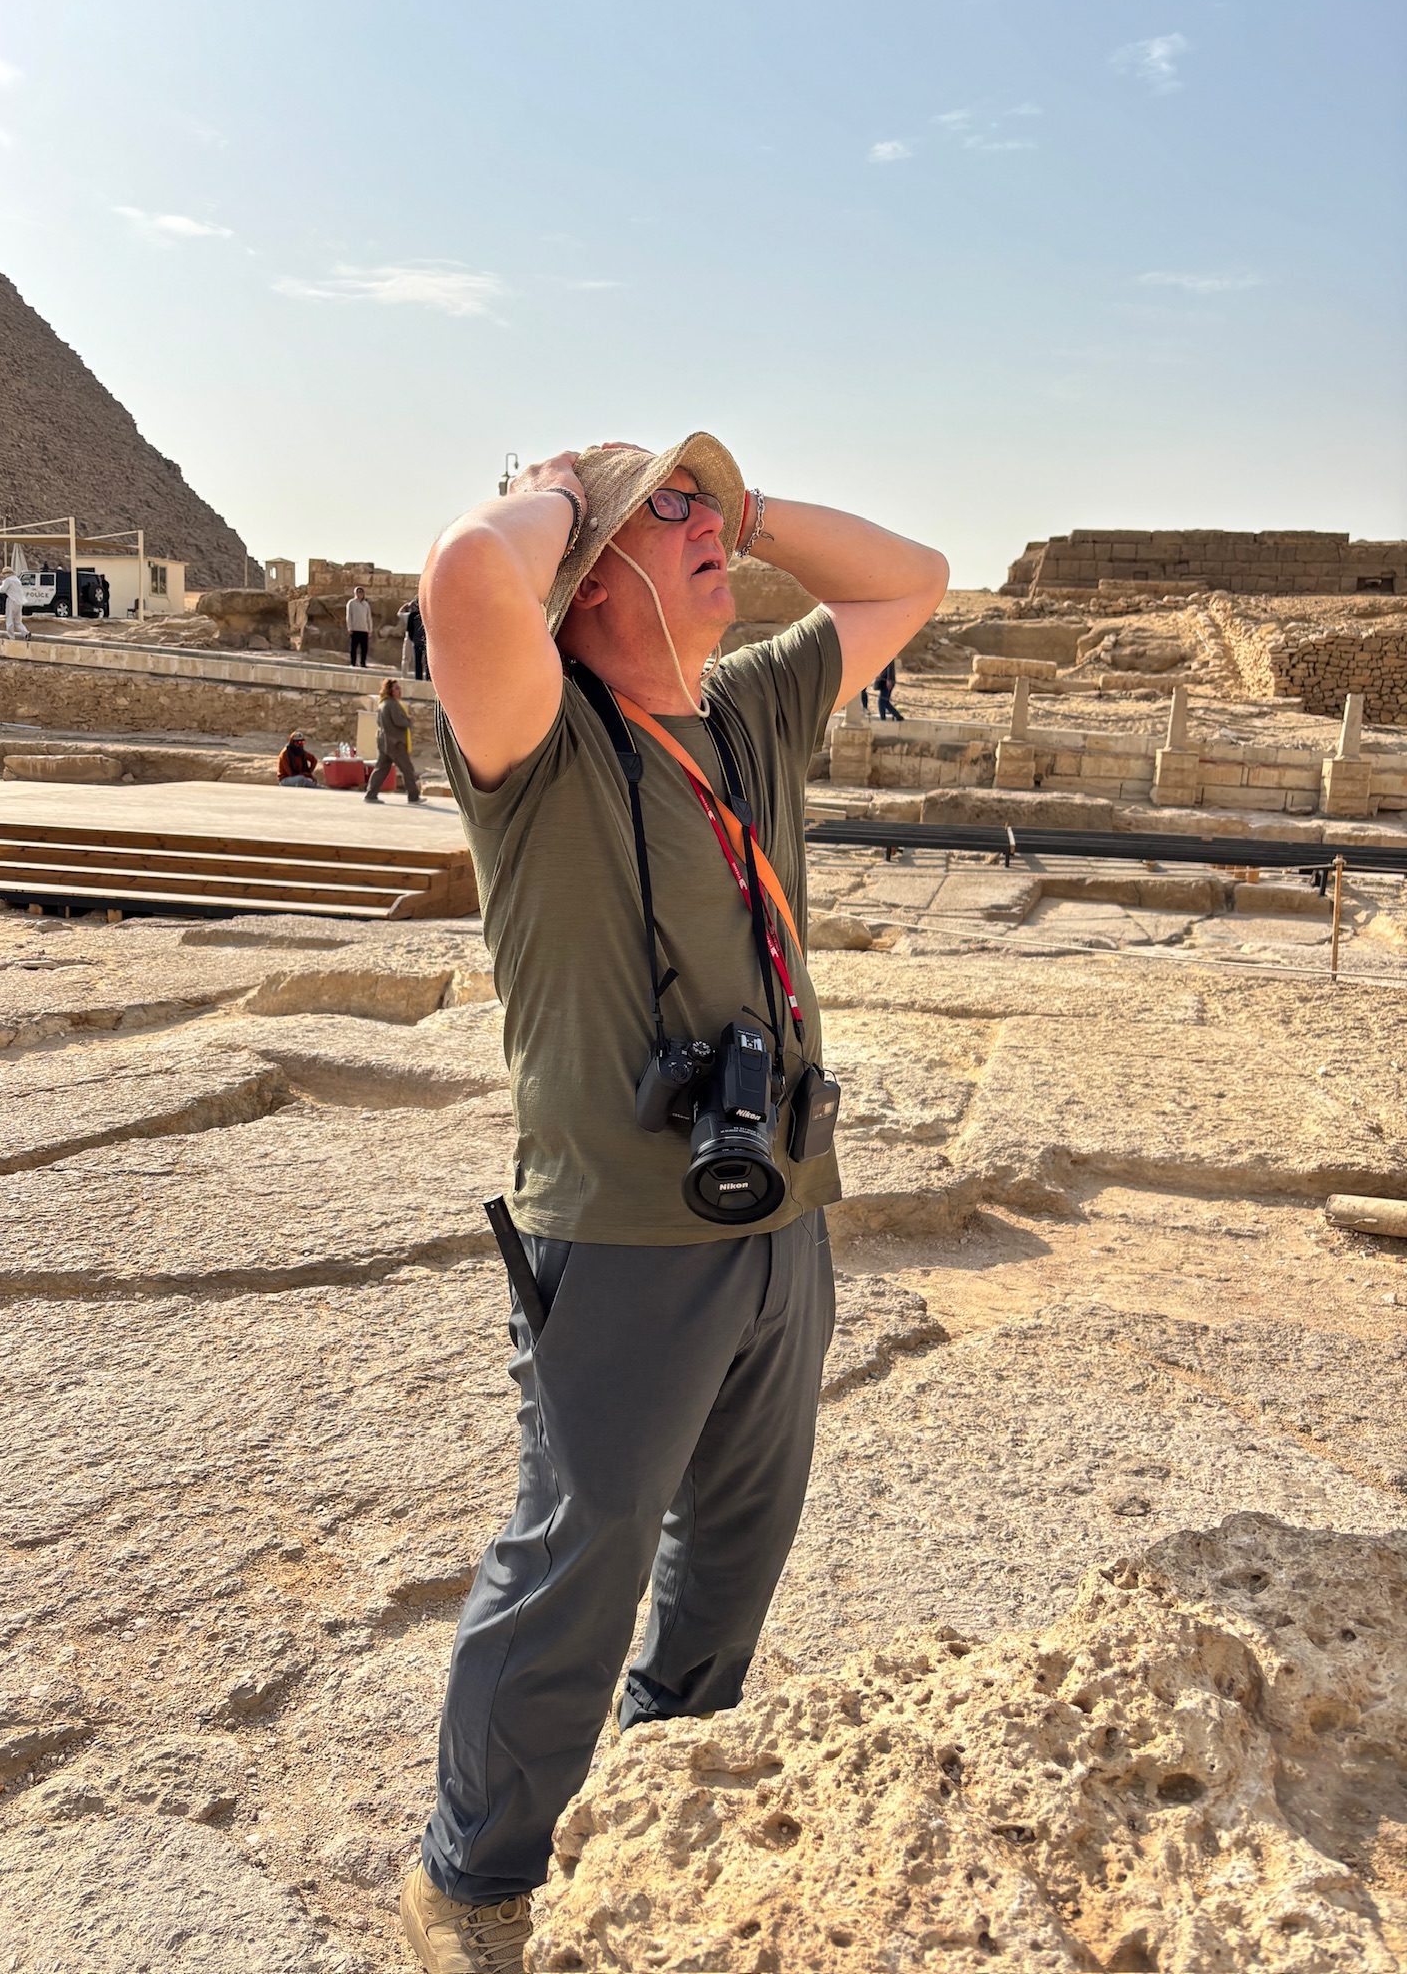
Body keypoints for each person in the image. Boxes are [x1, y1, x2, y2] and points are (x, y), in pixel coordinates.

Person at [396, 433, 946, 1972]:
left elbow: (915, 578)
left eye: (712, 509)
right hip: (626, 1237)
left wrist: (742, 514)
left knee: (740, 1548)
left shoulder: (752, 713)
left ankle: (658, 1792)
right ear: (584, 586)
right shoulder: (541, 744)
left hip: (782, 1207)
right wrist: (575, 491)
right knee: (581, 1556)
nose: (708, 527)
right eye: (675, 516)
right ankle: (473, 1877)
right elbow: (461, 582)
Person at [364, 679, 421, 803]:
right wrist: (409, 721)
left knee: (381, 768)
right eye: (396, 688)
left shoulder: (383, 703)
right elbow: (398, 721)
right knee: (407, 769)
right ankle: (413, 797)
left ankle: (371, 794)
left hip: (384, 742)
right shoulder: (392, 704)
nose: (399, 691)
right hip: (395, 743)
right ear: (390, 690)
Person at [0, 566, 30, 638]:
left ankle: (11, 636)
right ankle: (25, 633)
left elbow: (1, 590)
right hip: (19, 601)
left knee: (9, 620)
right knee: (18, 621)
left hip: (11, 600)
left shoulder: (8, 580)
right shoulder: (17, 580)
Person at [346, 585, 372, 669]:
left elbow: (369, 617)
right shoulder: (351, 603)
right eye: (358, 592)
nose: (360, 594)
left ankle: (363, 663)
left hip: (364, 629)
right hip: (355, 628)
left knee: (364, 648)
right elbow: (349, 616)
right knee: (353, 648)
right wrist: (349, 627)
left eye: (361, 592)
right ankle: (353, 663)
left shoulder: (366, 604)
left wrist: (370, 629)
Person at [404, 596, 428, 681]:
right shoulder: (412, 616)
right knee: (418, 661)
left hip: (426, 642)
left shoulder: (426, 615)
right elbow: (409, 629)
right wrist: (413, 639)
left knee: (427, 661)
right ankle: (418, 678)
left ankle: (428, 678)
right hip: (417, 641)